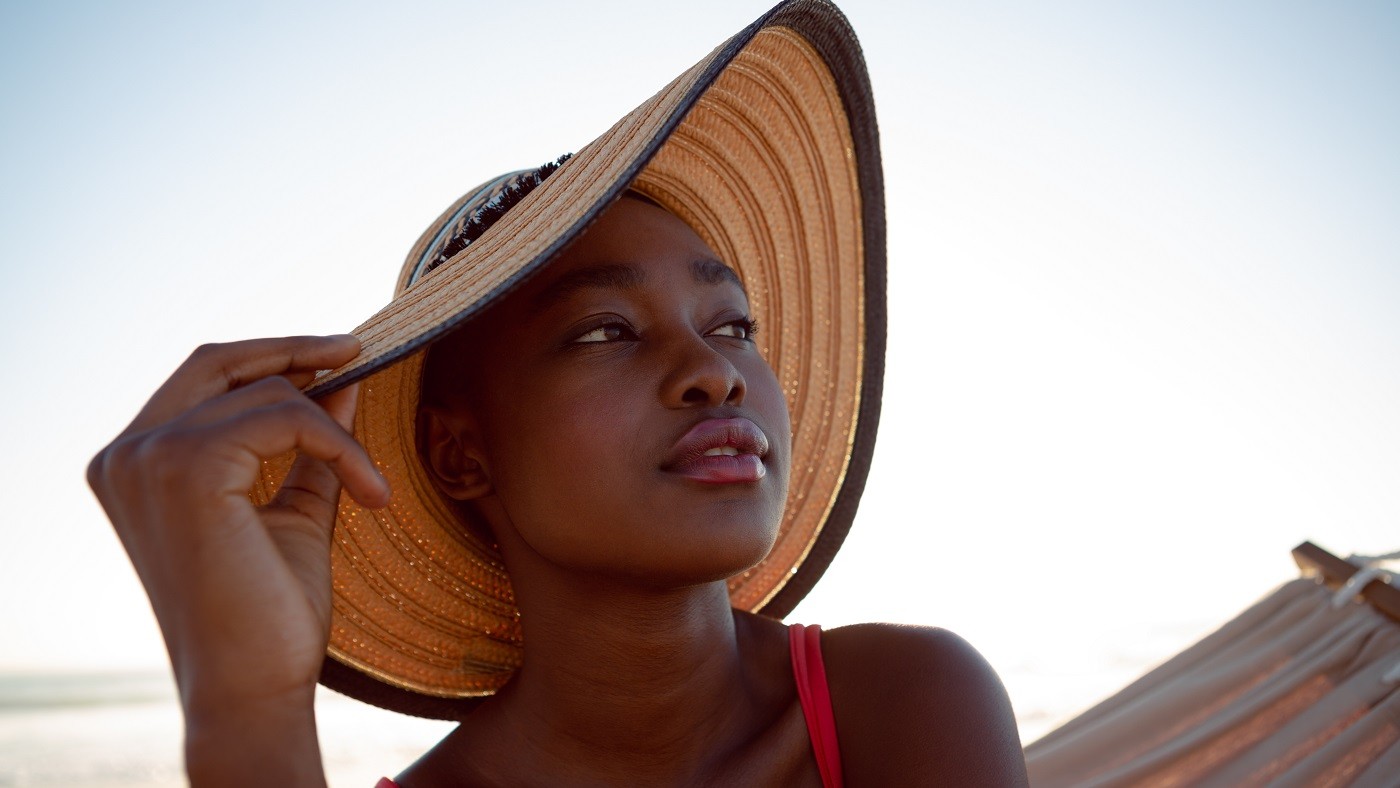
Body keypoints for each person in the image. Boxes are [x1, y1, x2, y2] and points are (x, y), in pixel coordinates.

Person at [87, 1, 1027, 785]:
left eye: (731, 324)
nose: (716, 370)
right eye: (605, 331)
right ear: (463, 454)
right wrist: (246, 706)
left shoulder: (904, 699)